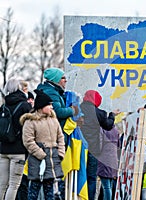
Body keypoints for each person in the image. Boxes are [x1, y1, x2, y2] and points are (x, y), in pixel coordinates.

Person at [37, 67, 78, 199]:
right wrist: (72, 110)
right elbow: (59, 112)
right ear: (55, 79)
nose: (65, 80)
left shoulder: (52, 91)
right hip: (53, 137)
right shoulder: (52, 93)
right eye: (63, 78)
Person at [20, 89, 65, 200]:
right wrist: (42, 154)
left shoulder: (53, 120)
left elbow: (60, 137)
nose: (51, 107)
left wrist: (60, 153)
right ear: (41, 106)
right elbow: (28, 141)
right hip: (38, 162)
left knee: (50, 191)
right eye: (49, 105)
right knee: (34, 190)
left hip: (53, 160)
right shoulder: (30, 121)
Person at [80, 90, 119, 200]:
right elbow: (108, 125)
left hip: (79, 147)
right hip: (93, 149)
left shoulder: (78, 109)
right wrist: (112, 115)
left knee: (79, 175)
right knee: (91, 177)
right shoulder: (99, 113)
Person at [0, 78, 32, 200]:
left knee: (2, 184)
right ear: (19, 88)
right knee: (14, 185)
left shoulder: (3, 106)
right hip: (18, 151)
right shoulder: (25, 106)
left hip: (3, 150)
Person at [96, 126, 120, 200]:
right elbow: (119, 145)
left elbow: (99, 146)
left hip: (104, 160)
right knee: (109, 185)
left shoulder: (102, 128)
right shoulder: (115, 129)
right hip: (114, 161)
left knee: (106, 187)